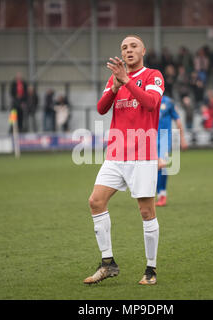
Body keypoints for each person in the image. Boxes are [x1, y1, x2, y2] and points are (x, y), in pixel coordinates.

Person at [84, 35, 164, 286]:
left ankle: (150, 269)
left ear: (143, 50)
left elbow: (151, 104)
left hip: (143, 153)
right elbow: (101, 108)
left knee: (146, 211)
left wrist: (127, 81)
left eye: (133, 46)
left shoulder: (153, 75)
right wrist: (116, 86)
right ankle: (108, 263)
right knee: (96, 201)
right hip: (116, 154)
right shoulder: (115, 79)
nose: (128, 50)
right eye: (123, 48)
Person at [156, 94, 188, 207]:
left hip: (164, 138)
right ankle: (158, 194)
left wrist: (182, 139)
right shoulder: (147, 100)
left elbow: (178, 121)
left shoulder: (168, 102)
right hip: (150, 138)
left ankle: (162, 195)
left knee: (162, 165)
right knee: (153, 167)